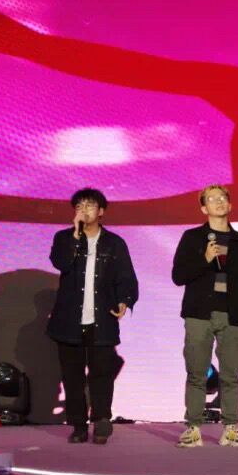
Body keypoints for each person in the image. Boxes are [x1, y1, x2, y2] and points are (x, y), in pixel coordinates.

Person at [47, 188, 138, 444]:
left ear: (101, 212)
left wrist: (124, 300)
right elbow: (61, 263)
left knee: (102, 374)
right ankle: (78, 425)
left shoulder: (114, 243)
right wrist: (75, 236)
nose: (84, 210)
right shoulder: (64, 238)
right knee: (72, 377)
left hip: (102, 319)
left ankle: (101, 420)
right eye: (79, 206)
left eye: (90, 205)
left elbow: (126, 276)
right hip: (69, 321)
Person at [171, 185, 238, 447]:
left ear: (230, 205)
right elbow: (178, 276)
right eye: (212, 199)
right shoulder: (192, 238)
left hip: (232, 314)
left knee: (231, 373)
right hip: (200, 313)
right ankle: (193, 428)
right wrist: (205, 258)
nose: (218, 202)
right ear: (203, 208)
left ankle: (231, 428)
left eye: (222, 198)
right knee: (196, 372)